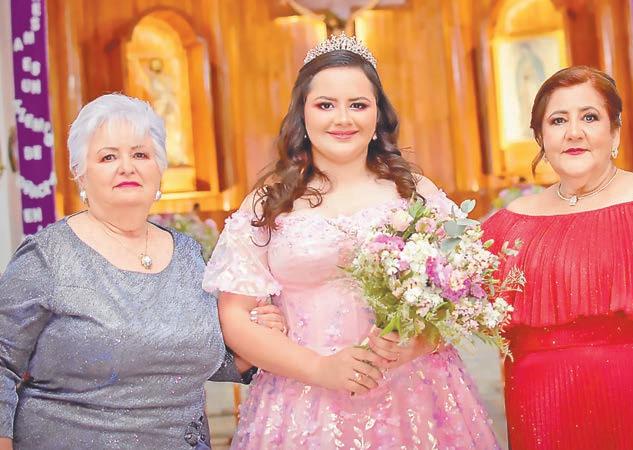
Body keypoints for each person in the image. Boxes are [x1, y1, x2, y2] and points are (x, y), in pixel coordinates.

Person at [204, 34, 500, 449]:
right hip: (303, 400)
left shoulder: (416, 194)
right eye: (325, 105)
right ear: (302, 114)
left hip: (415, 396)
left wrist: (415, 344)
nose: (342, 119)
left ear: (378, 115)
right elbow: (234, 317)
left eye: (358, 105)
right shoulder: (268, 203)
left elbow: (464, 296)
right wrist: (320, 368)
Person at [0, 94, 285, 450]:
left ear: (159, 168)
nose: (127, 167)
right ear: (80, 174)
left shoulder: (187, 254)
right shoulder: (47, 256)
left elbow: (179, 360)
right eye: (108, 157)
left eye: (140, 155)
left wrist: (251, 342)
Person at [482, 66, 633, 449]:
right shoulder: (509, 225)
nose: (574, 132)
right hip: (545, 406)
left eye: (589, 117)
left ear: (614, 132)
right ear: (540, 138)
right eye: (558, 120)